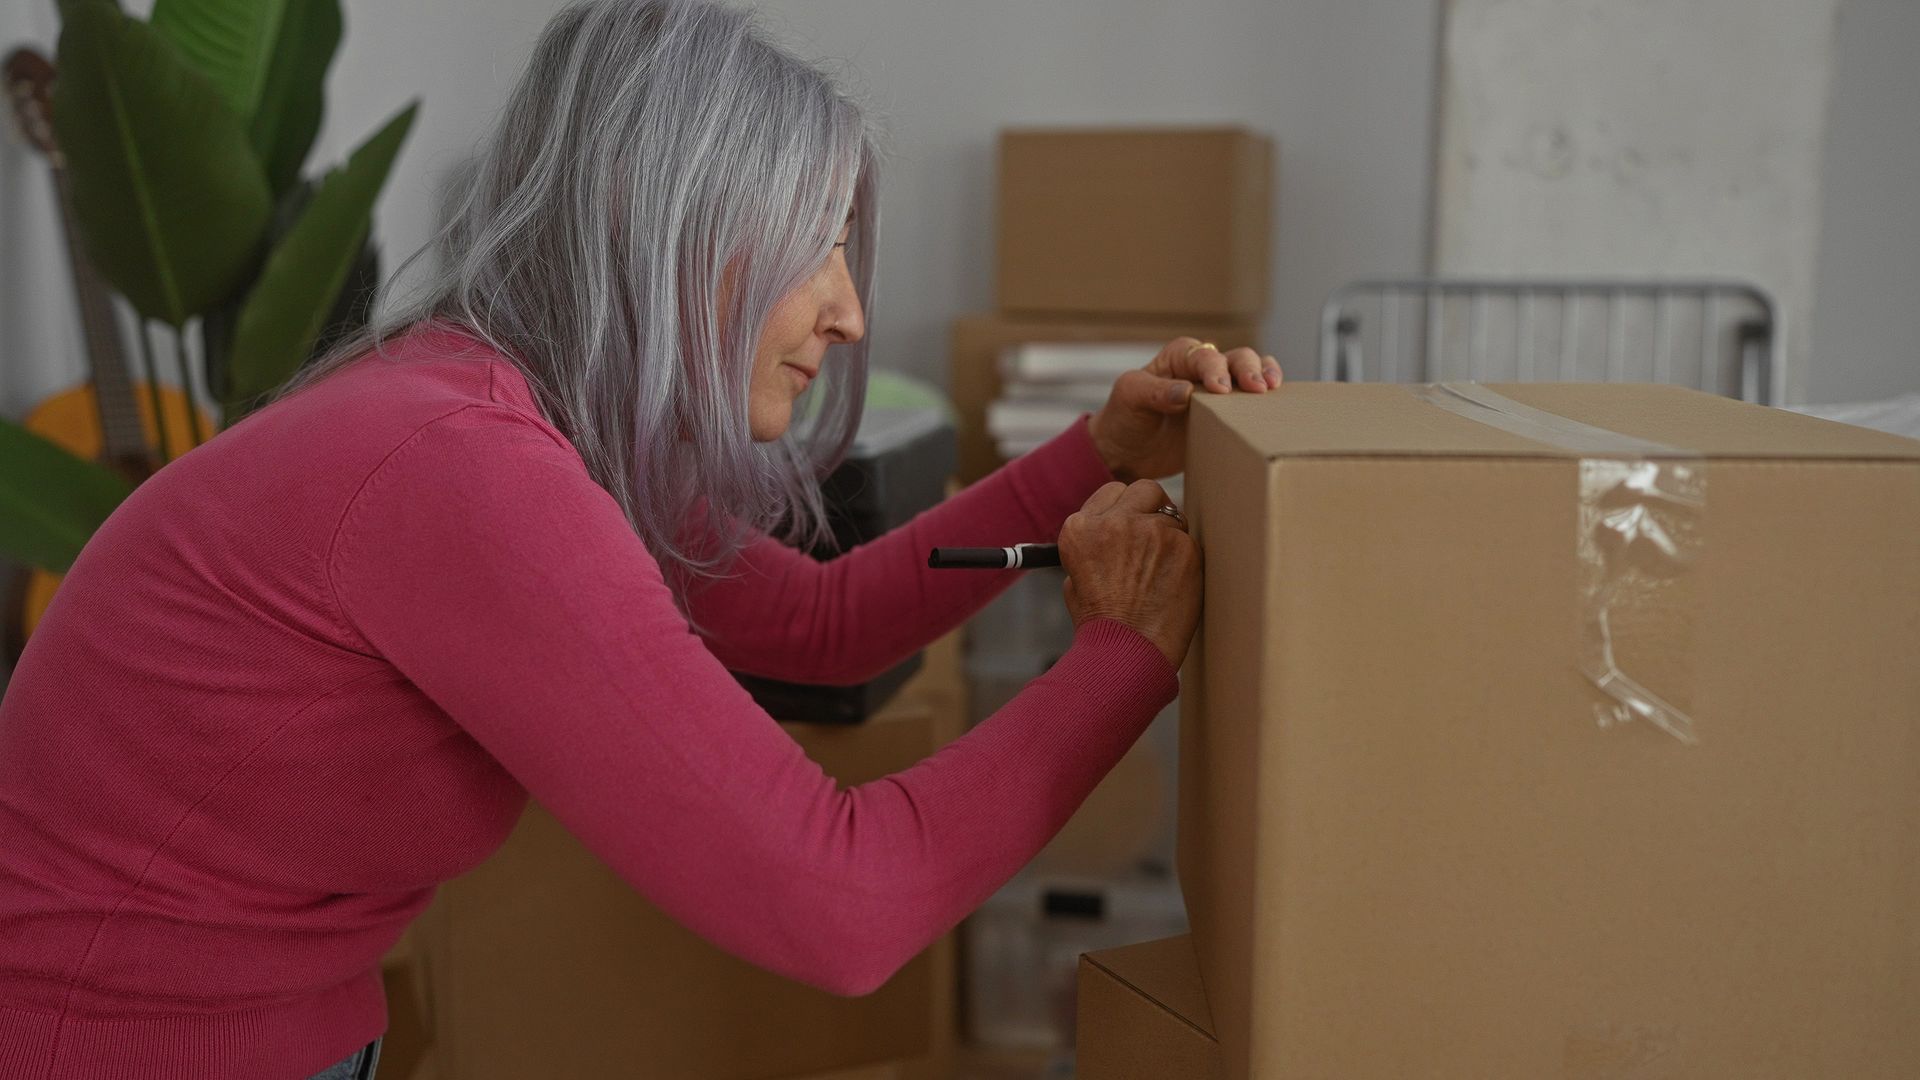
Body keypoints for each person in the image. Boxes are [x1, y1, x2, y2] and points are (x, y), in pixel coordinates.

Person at [0, 2, 1282, 1077]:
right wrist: (1125, 655)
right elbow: (842, 907)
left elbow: (820, 628)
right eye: (818, 242)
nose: (847, 309)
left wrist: (1095, 454)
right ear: (659, 218)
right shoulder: (461, 464)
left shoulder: (519, 418)